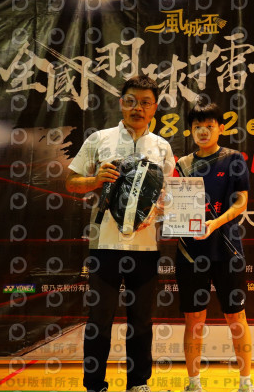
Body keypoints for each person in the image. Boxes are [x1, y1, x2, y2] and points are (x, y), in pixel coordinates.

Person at [66, 75, 174, 392]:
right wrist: (95, 180)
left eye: (145, 102)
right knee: (99, 320)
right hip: (105, 245)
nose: (137, 107)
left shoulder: (162, 147)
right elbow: (71, 183)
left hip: (146, 248)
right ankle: (94, 385)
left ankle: (138, 383)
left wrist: (158, 211)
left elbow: (172, 196)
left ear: (154, 107)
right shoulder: (99, 139)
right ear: (120, 103)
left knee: (141, 321)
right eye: (131, 101)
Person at [174, 102, 254, 392]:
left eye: (209, 126)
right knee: (194, 318)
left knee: (236, 316)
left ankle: (245, 383)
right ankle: (193, 383)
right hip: (190, 252)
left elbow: (241, 201)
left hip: (227, 251)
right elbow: (175, 205)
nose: (203, 131)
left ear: (221, 128)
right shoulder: (182, 165)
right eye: (197, 126)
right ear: (190, 130)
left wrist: (216, 222)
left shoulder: (233, 159)